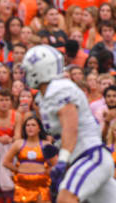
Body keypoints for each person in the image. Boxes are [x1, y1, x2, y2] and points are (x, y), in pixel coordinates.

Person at [22, 44, 116, 203]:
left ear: (41, 69)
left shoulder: (58, 89)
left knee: (65, 199)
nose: (26, 73)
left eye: (29, 69)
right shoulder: (44, 96)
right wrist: (57, 148)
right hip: (86, 157)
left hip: (90, 156)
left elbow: (71, 126)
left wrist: (62, 159)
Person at [3, 116, 56, 203]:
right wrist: (18, 170)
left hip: (41, 186)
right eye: (27, 125)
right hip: (22, 186)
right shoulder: (18, 143)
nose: (30, 128)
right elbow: (6, 162)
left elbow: (56, 164)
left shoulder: (47, 145)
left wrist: (45, 172)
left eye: (33, 125)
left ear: (39, 128)